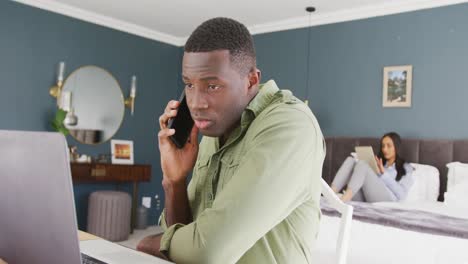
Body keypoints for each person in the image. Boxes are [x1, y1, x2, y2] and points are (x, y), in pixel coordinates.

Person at [136, 17, 325, 264]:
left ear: (251, 80)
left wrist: (149, 243)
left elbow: (205, 251)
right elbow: (184, 236)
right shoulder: (214, 130)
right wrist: (175, 181)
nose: (195, 103)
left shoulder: (290, 126)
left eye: (212, 86)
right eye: (189, 85)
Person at [331, 132, 414, 202]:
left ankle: (342, 201)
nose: (385, 149)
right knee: (351, 160)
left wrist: (383, 174)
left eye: (389, 146)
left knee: (363, 164)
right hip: (368, 196)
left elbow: (402, 196)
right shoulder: (379, 163)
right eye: (383, 146)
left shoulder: (406, 168)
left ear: (396, 147)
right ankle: (330, 195)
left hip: (388, 200)